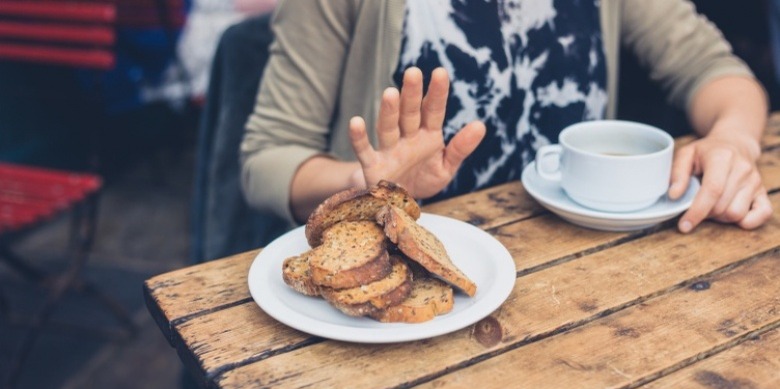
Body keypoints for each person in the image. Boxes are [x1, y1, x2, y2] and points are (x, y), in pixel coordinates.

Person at [240, 0, 773, 235]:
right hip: (406, 278)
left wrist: (734, 140)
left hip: (578, 265)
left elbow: (713, 69)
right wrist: (365, 183)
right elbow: (267, 158)